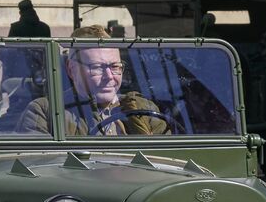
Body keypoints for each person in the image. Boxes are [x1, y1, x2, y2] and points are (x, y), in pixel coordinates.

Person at [17, 25, 168, 135]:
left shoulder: (144, 109)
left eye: (115, 66)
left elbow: (165, 163)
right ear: (71, 69)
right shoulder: (45, 112)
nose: (109, 76)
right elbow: (42, 167)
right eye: (97, 67)